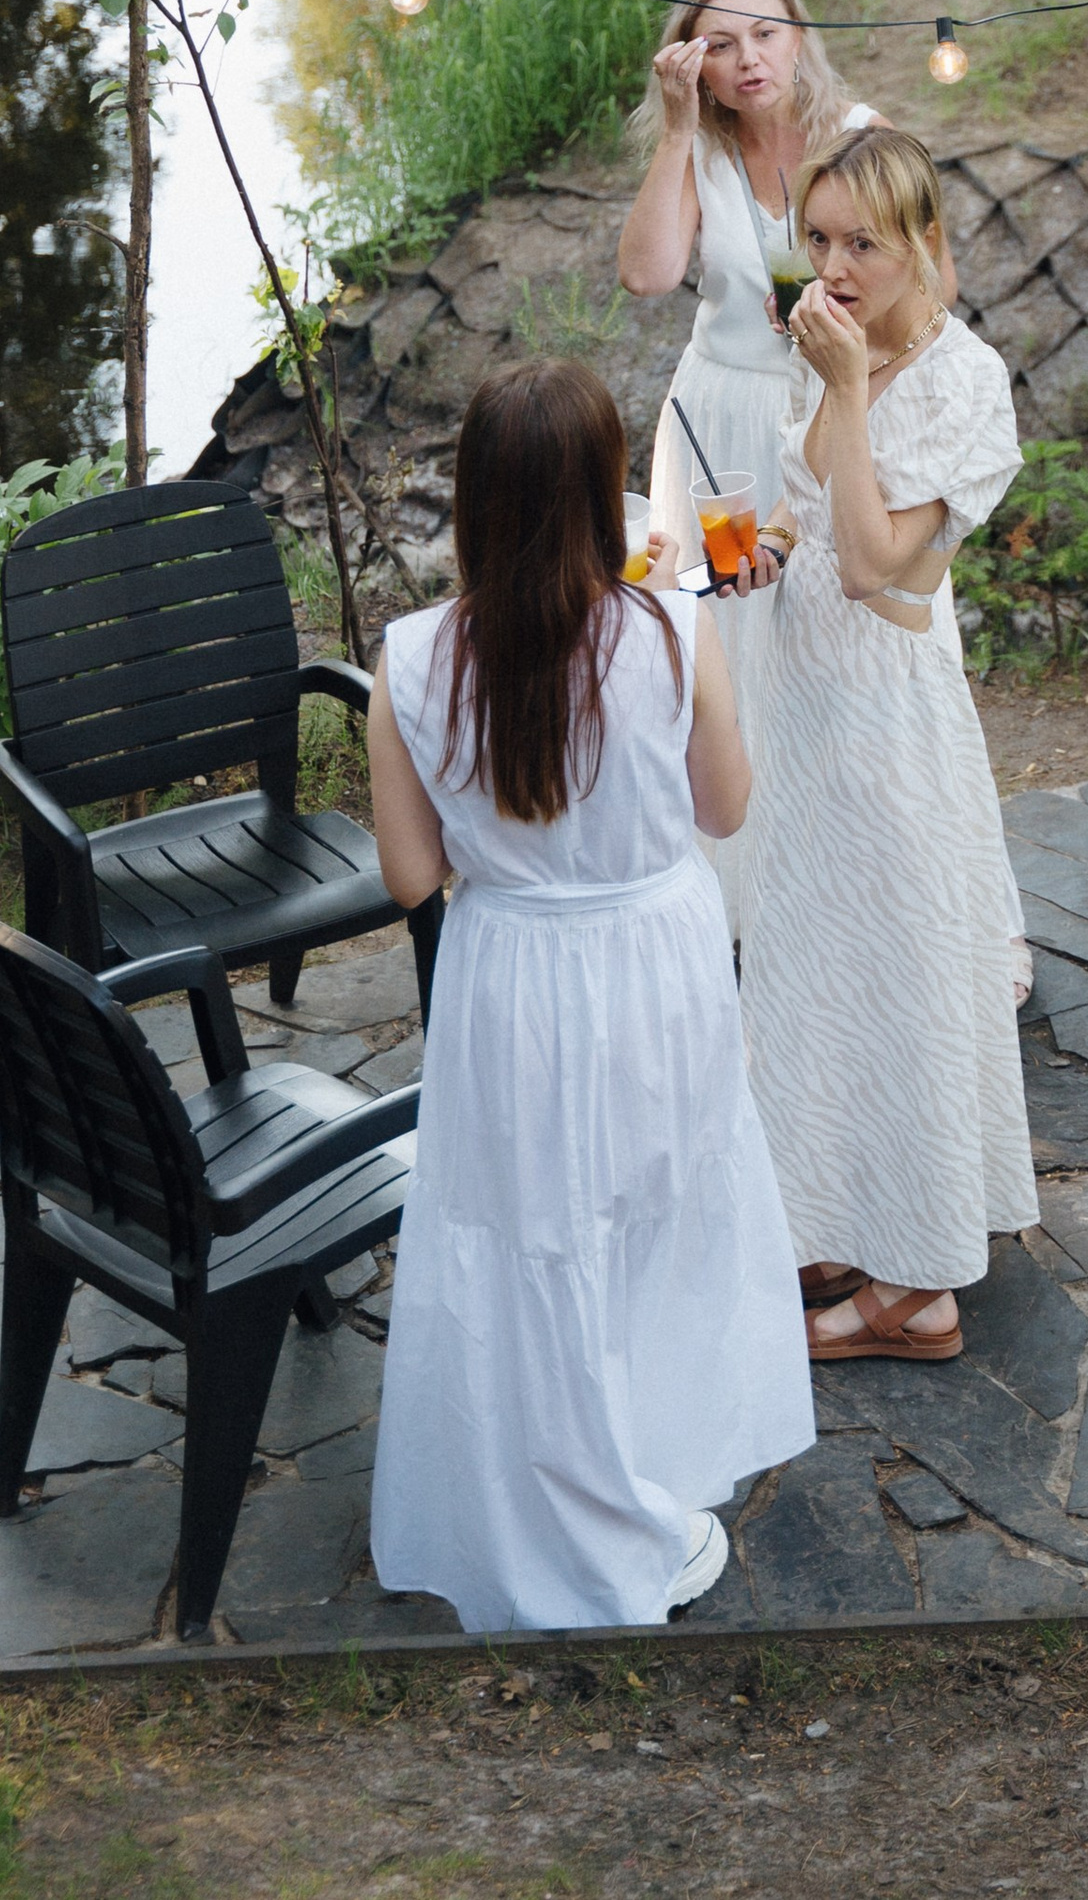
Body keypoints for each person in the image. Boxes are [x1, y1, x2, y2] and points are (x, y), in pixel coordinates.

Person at [365, 356, 811, 1632]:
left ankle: (544, 1492)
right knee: (653, 1214)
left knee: (526, 1235)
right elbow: (725, 807)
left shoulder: (408, 659)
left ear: (474, 501)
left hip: (510, 969)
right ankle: (638, 1483)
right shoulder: (673, 628)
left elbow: (410, 875)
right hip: (656, 959)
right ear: (598, 499)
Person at [738, 126, 1036, 1361]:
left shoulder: (967, 384)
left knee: (903, 985)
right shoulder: (826, 351)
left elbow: (875, 564)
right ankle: (830, 1217)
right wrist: (760, 545)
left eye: (863, 240)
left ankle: (917, 1290)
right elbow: (817, 524)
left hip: (890, 724)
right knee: (816, 975)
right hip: (803, 713)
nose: (834, 264)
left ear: (923, 244)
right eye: (817, 238)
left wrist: (848, 387)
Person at [615, 0, 981, 951]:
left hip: (838, 411)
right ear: (692, 60)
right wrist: (681, 134)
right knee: (732, 650)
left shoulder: (860, 139)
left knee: (861, 646)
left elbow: (936, 287)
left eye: (765, 34)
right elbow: (647, 272)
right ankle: (749, 904)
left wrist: (855, 346)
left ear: (799, 34)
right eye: (719, 43)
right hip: (722, 430)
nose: (747, 59)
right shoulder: (700, 147)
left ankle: (885, 890)